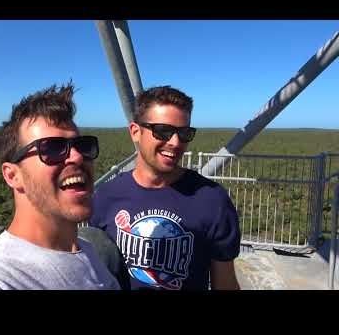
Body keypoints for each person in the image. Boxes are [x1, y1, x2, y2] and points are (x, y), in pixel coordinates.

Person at [0, 82, 121, 290]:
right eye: (53, 148)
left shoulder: (87, 251)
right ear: (13, 176)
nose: (78, 156)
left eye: (83, 145)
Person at [89, 86, 241, 290]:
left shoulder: (213, 200)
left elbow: (225, 284)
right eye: (163, 131)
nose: (175, 142)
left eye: (184, 133)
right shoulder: (105, 197)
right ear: (135, 132)